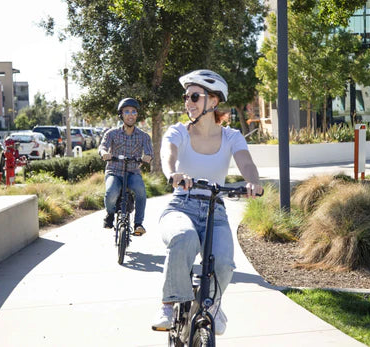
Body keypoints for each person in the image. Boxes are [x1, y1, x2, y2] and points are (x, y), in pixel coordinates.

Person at [152, 70, 263, 335]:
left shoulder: (231, 136)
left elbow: (246, 162)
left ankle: (212, 305)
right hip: (181, 205)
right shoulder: (178, 131)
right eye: (186, 97)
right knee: (184, 237)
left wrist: (252, 182)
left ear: (212, 101)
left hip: (215, 209)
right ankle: (169, 304)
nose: (187, 102)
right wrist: (173, 173)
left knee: (224, 263)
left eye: (194, 96)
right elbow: (169, 152)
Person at [98, 97, 153, 236]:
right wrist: (104, 153)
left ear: (137, 115)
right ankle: (110, 214)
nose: (130, 114)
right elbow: (103, 146)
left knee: (141, 191)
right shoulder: (112, 133)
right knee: (111, 193)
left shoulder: (143, 136)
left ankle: (138, 224)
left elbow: (149, 152)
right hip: (114, 171)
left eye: (134, 111)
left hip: (133, 172)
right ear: (121, 115)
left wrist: (148, 156)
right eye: (127, 111)